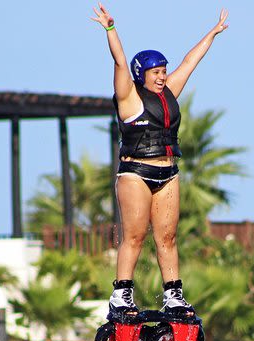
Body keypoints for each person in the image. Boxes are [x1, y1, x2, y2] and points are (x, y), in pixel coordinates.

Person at [91, 3, 228, 320]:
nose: (163, 77)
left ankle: (173, 296)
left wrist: (213, 32)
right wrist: (111, 29)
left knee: (167, 238)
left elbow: (190, 62)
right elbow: (119, 61)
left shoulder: (169, 92)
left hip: (168, 174)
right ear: (143, 74)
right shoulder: (129, 97)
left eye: (164, 71)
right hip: (135, 173)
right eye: (156, 72)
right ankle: (121, 294)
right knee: (135, 237)